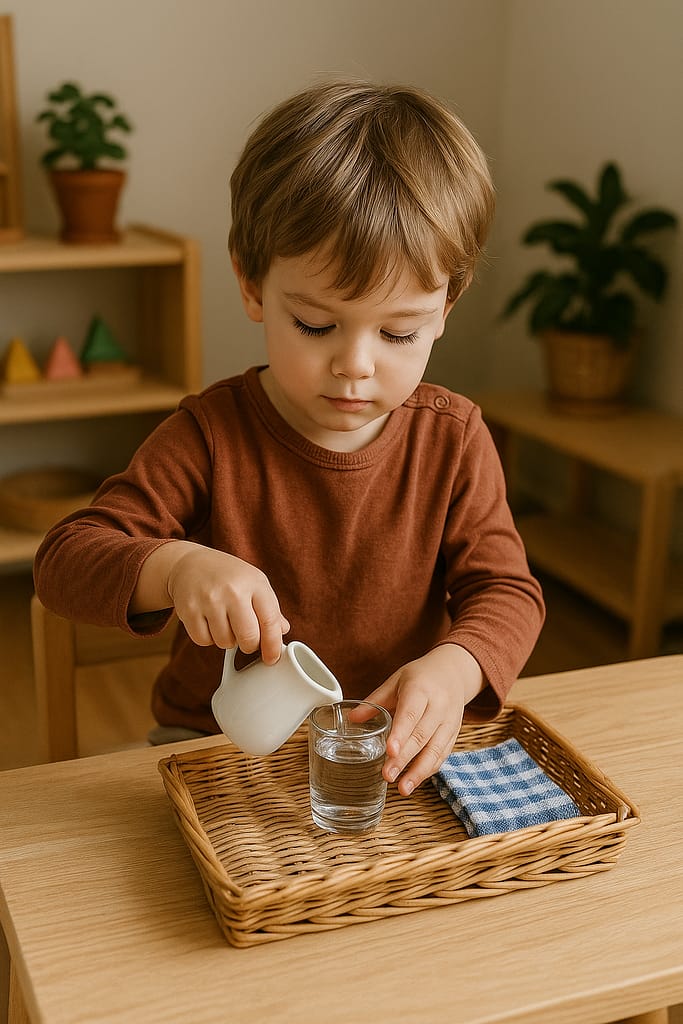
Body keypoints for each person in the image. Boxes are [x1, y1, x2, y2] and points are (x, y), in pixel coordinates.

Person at [34, 80, 544, 797]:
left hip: (385, 751)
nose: (356, 365)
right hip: (218, 748)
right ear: (251, 285)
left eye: (399, 331)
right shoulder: (209, 436)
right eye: (314, 324)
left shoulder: (453, 438)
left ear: (444, 308)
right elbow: (64, 561)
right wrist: (176, 568)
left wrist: (456, 667)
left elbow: (506, 591)